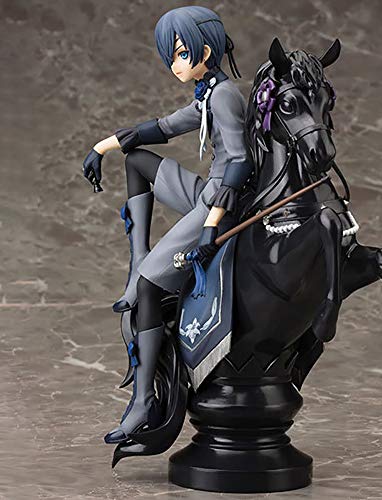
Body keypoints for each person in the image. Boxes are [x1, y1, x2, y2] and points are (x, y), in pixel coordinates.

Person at [82, 6, 252, 444]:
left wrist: (211, 226)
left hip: (219, 204)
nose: (174, 64)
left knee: (149, 288)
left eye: (180, 54)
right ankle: (138, 258)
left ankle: (143, 401)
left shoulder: (224, 96)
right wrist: (103, 147)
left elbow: (239, 164)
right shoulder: (208, 93)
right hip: (205, 192)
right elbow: (164, 127)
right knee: (136, 160)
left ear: (205, 51)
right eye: (171, 56)